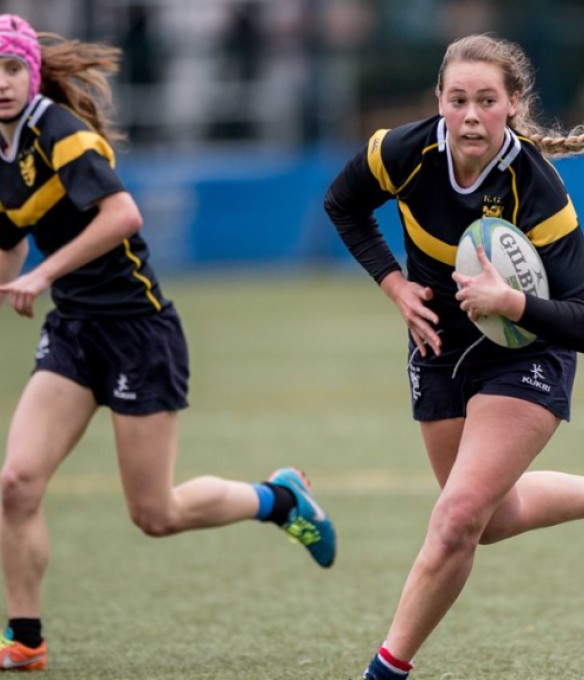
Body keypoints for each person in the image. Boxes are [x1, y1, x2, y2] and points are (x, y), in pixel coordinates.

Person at [324, 33, 584, 680]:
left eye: (486, 100)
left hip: (529, 350)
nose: (471, 115)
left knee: (455, 521)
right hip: (440, 346)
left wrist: (512, 302)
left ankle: (386, 671)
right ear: (439, 103)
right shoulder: (403, 151)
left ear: (514, 105)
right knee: (487, 518)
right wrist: (395, 285)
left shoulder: (537, 188)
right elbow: (343, 205)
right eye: (457, 100)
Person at [0, 14, 336, 671]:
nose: (2, 85)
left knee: (155, 514)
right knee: (14, 483)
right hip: (73, 332)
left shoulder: (60, 133)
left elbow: (123, 214)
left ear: (31, 73)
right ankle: (27, 638)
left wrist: (43, 272)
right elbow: (8, 242)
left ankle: (279, 498)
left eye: (11, 69)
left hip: (136, 331)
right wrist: (16, 276)